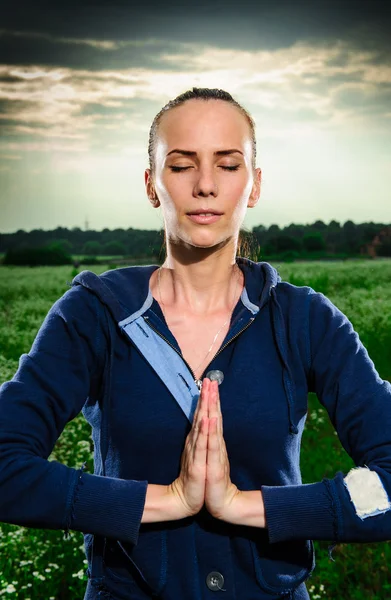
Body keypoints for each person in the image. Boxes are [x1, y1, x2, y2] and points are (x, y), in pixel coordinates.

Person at [1, 87, 391, 600]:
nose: (205, 186)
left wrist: (245, 506)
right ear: (151, 184)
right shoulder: (94, 313)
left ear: (253, 186)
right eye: (182, 165)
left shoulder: (306, 321)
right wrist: (166, 500)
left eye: (229, 165)